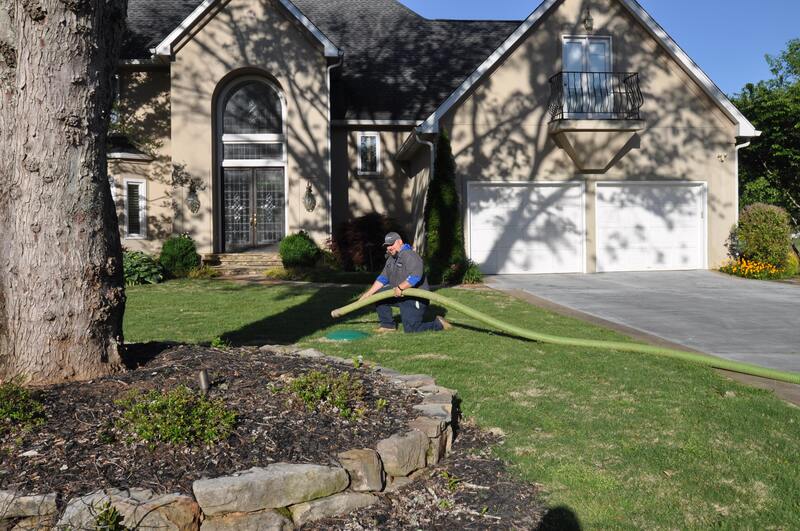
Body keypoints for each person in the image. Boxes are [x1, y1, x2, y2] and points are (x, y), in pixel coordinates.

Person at [359, 232, 451, 333]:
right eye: (387, 245)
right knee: (379, 295)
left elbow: (415, 277)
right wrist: (369, 293)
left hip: (415, 297)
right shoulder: (391, 259)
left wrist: (400, 288)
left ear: (400, 242)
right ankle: (387, 325)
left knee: (411, 329)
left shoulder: (410, 255)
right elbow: (382, 279)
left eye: (391, 244)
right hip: (400, 294)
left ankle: (439, 324)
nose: (389, 247)